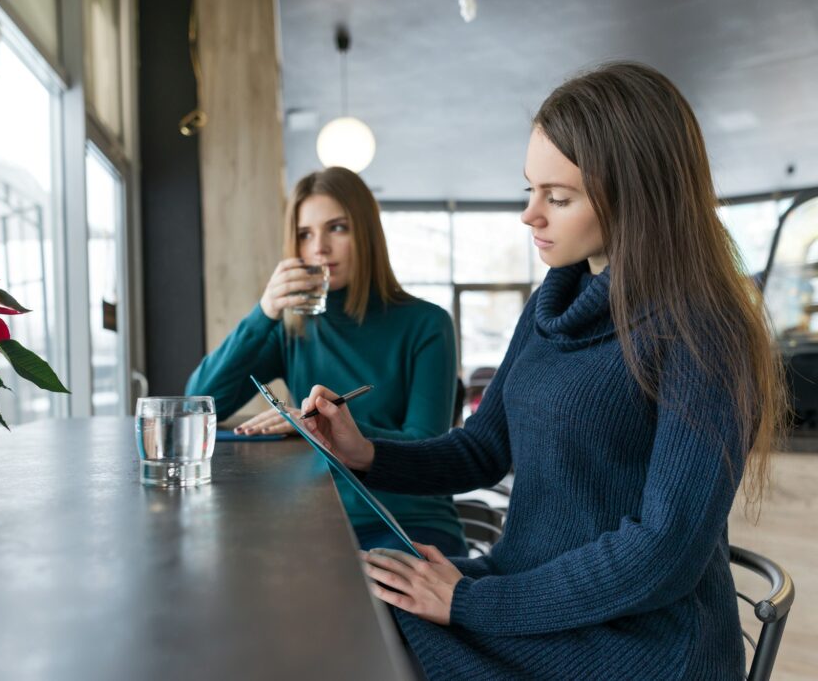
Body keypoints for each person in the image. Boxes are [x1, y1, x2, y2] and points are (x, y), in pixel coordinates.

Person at [299, 62, 787, 680]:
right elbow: (481, 450)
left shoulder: (702, 328)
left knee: (373, 635)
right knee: (349, 601)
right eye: (531, 189)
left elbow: (663, 554)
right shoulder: (552, 304)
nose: (531, 214)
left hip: (638, 643)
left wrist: (468, 600)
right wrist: (365, 451)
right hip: (534, 596)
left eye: (558, 197)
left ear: (636, 195)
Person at [186, 167, 467, 557]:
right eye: (305, 234)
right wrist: (264, 312)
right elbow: (199, 403)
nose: (319, 247)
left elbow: (426, 446)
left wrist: (317, 426)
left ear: (366, 234)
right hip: (321, 520)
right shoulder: (292, 330)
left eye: (337, 228)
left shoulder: (427, 324)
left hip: (410, 523)